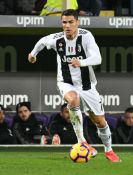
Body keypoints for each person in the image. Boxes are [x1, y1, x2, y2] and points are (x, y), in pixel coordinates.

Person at [28, 9, 120, 162]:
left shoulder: (86, 36)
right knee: (73, 100)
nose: (67, 25)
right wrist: (32, 54)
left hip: (87, 86)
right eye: (64, 22)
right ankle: (82, 142)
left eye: (71, 22)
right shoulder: (57, 39)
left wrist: (81, 62)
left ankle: (109, 150)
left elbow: (98, 58)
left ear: (78, 22)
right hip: (65, 82)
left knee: (100, 121)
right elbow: (43, 41)